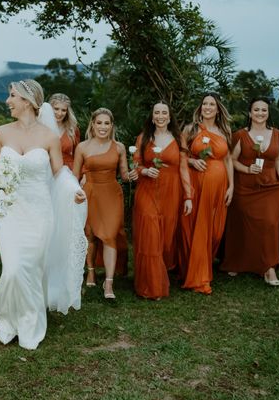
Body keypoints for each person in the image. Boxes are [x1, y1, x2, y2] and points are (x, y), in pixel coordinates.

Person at [0, 79, 87, 350]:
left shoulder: (49, 137)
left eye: (12, 96)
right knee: (14, 268)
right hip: (10, 211)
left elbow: (59, 171)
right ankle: (9, 317)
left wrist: (74, 189)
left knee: (32, 268)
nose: (7, 101)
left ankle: (30, 322)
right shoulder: (2, 132)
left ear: (28, 100)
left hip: (39, 211)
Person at [221, 98, 279, 285]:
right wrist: (248, 169)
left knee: (269, 223)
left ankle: (269, 268)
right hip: (245, 187)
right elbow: (231, 160)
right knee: (242, 225)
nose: (260, 113)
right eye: (256, 110)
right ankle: (238, 262)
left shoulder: (276, 134)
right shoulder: (240, 135)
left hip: (270, 187)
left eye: (263, 110)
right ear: (250, 113)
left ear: (268, 113)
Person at [72, 108, 138, 299]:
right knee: (90, 234)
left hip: (112, 194)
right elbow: (75, 176)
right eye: (99, 123)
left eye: (106, 123)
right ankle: (91, 270)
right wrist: (75, 192)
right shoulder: (82, 147)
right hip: (90, 193)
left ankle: (108, 284)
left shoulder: (119, 147)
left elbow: (124, 176)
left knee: (110, 236)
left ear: (112, 126)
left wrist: (132, 175)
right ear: (92, 124)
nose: (103, 127)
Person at [132, 102, 192, 299]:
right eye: (156, 112)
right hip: (147, 191)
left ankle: (158, 274)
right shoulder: (144, 138)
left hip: (171, 192)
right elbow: (136, 164)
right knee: (150, 234)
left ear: (169, 116)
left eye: (164, 112)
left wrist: (188, 196)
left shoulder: (178, 137)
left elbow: (183, 168)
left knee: (165, 240)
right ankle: (151, 286)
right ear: (152, 116)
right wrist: (145, 170)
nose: (160, 116)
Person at [179, 92, 234, 294]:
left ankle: (203, 265)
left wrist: (232, 187)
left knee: (215, 231)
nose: (208, 107)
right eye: (205, 104)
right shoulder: (190, 129)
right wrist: (193, 161)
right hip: (197, 184)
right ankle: (199, 277)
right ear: (200, 108)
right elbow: (180, 155)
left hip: (219, 186)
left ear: (218, 108)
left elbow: (228, 160)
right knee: (197, 227)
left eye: (212, 104)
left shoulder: (224, 130)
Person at [50, 93, 81, 170]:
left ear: (67, 111)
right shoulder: (42, 128)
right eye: (56, 109)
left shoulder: (73, 129)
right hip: (48, 168)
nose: (59, 113)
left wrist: (83, 174)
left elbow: (78, 155)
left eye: (63, 110)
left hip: (68, 169)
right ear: (50, 108)